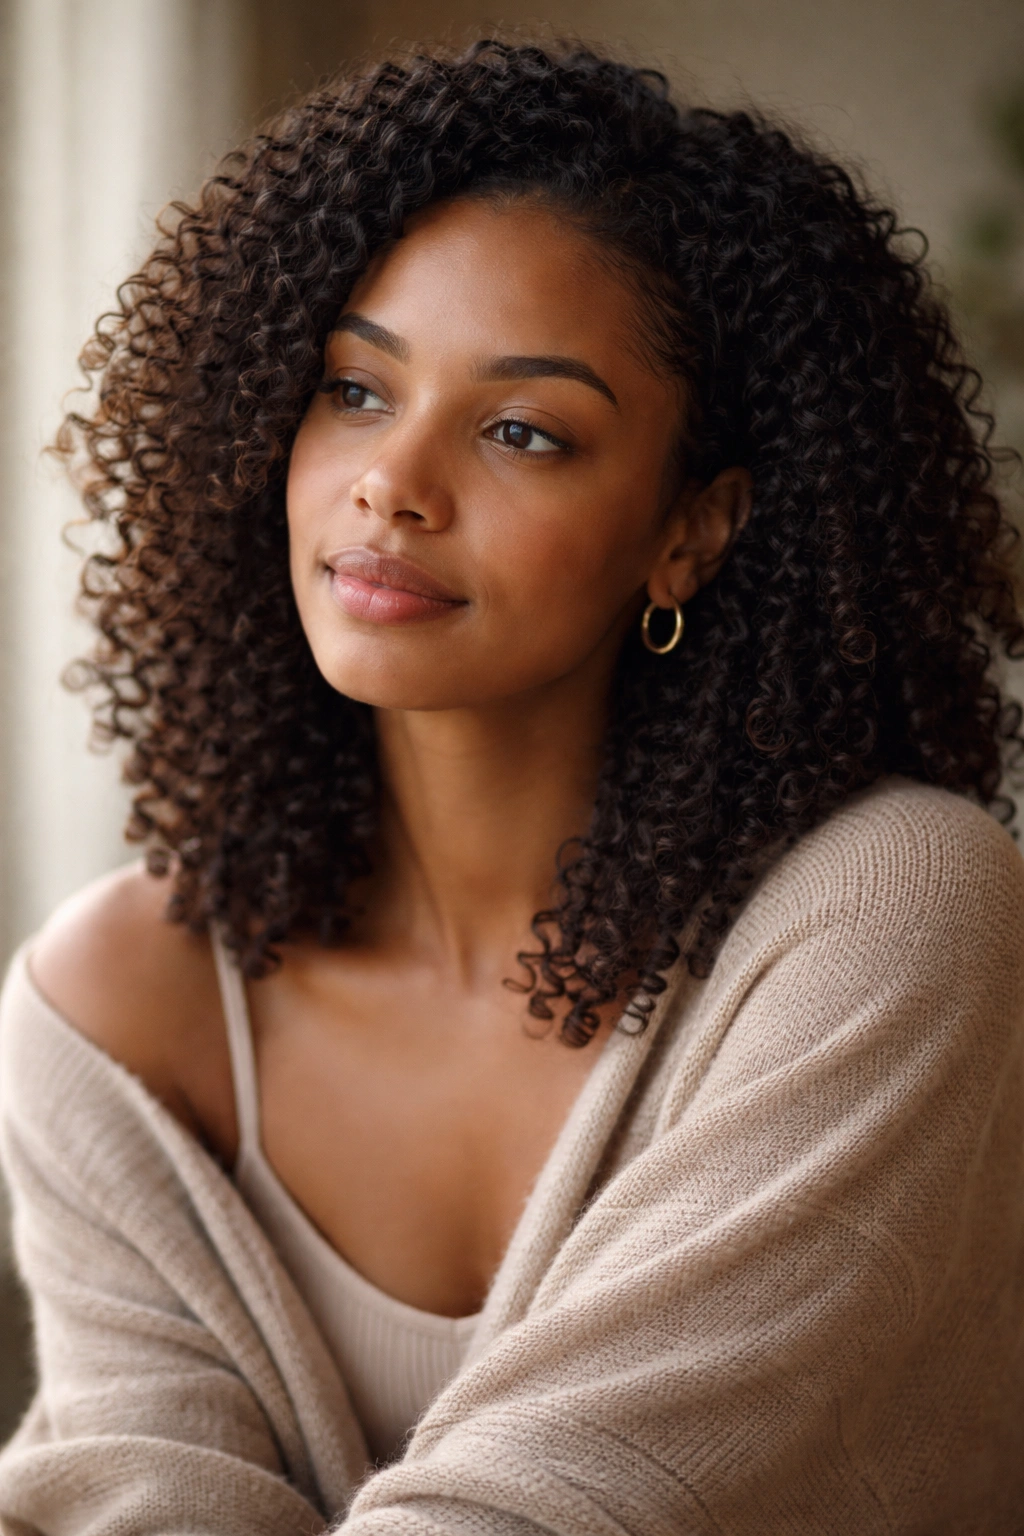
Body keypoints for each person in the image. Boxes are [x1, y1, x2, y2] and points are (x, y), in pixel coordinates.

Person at [1, 37, 1023, 1535]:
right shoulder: (114, 1005)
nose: (393, 483)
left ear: (692, 531)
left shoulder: (893, 912)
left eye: (522, 430)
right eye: (354, 389)